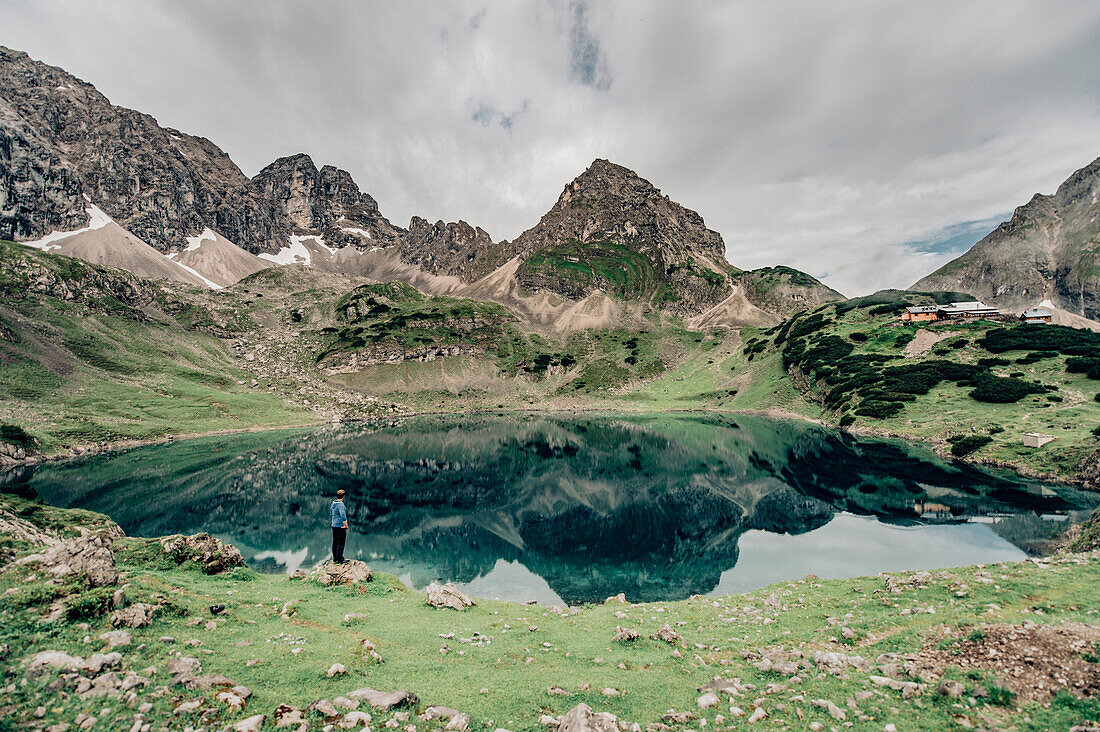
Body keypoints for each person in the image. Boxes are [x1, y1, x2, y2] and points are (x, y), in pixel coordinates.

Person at [330, 489, 348, 564]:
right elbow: (343, 515)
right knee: (341, 542)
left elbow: (331, 513)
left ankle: (335, 558)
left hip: (334, 525)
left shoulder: (333, 503)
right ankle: (340, 558)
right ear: (343, 496)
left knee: (335, 542)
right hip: (340, 526)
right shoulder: (340, 504)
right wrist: (346, 525)